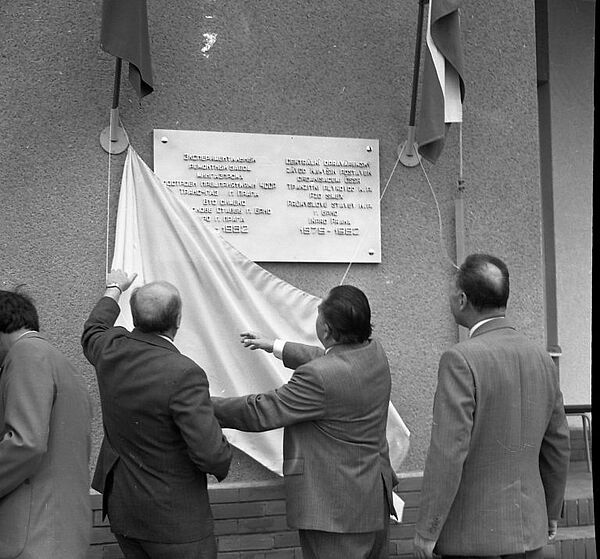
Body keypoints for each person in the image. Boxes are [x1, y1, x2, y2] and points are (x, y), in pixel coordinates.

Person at [212, 284, 398, 559]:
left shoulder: (319, 377)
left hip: (336, 513)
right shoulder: (374, 353)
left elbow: (262, 411)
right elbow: (333, 359)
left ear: (326, 330)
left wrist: (199, 404)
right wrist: (275, 346)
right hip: (371, 499)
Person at [413, 254, 570, 559]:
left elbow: (448, 452)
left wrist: (427, 530)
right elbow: (558, 444)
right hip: (531, 529)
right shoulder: (541, 357)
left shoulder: (460, 359)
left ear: (462, 300)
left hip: (472, 536)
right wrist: (551, 511)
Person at [82, 270, 232, 559]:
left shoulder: (109, 350)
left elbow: (93, 328)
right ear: (178, 320)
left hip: (124, 512)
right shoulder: (185, 373)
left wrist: (114, 287)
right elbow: (211, 454)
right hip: (174, 522)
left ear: (134, 317)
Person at [0, 289, 92, 558]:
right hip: (60, 531)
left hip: (31, 536)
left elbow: (26, 443)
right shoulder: (60, 362)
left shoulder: (25, 354)